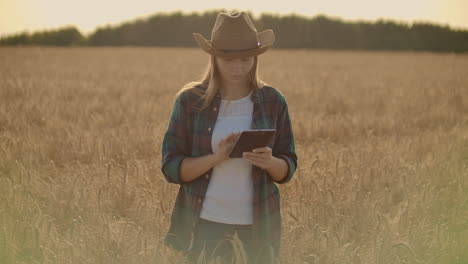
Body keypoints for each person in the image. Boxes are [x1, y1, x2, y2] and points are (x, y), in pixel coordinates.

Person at [161, 10, 298, 264]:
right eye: (229, 60)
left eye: (246, 60)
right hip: (202, 225)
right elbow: (170, 168)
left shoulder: (272, 101)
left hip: (259, 228)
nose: (238, 68)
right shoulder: (191, 101)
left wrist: (269, 162)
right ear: (215, 58)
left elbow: (288, 168)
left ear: (256, 59)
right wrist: (216, 158)